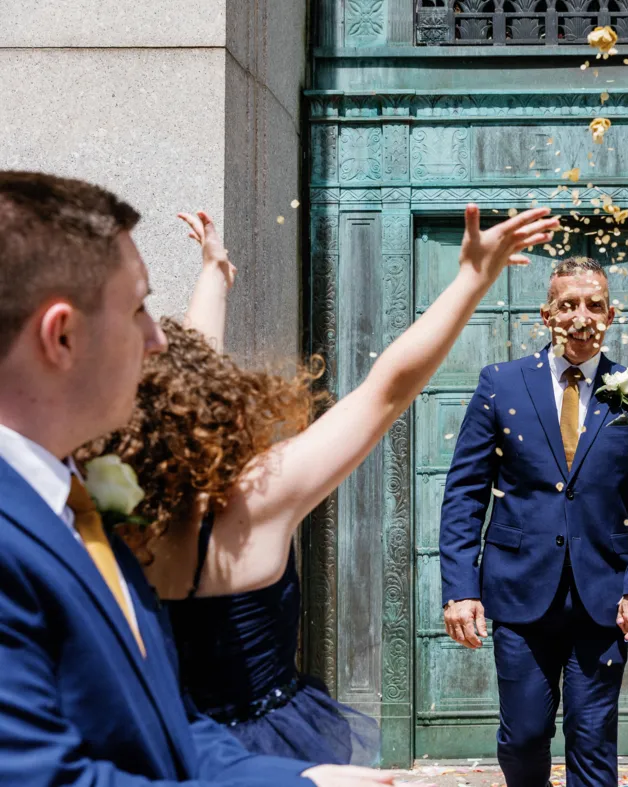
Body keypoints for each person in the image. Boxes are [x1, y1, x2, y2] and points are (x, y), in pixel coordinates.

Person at [77, 205, 559, 765]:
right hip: (267, 750)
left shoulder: (101, 506)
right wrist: (471, 281)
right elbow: (386, 389)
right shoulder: (257, 498)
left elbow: (178, 383)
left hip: (152, 747)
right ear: (216, 400)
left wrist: (213, 276)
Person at [0, 170, 397, 785]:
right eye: (137, 309)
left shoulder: (74, 502)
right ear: (61, 334)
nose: (157, 340)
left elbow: (166, 723)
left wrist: (302, 781)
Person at [438, 257, 628, 787]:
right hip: (519, 592)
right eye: (568, 304)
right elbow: (465, 491)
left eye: (594, 304)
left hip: (605, 595)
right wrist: (460, 588)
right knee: (523, 736)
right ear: (546, 314)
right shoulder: (500, 383)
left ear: (611, 314)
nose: (581, 315)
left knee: (593, 738)